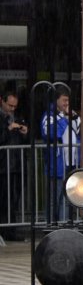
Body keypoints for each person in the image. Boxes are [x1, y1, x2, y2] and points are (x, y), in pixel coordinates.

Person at [40, 90, 81, 223]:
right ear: (56, 100)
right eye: (64, 100)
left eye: (68, 101)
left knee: (68, 198)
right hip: (57, 164)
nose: (66, 103)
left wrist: (72, 117)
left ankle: (65, 226)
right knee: (55, 199)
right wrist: (63, 119)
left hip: (71, 163)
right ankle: (51, 227)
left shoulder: (71, 115)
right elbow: (51, 133)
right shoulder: (49, 116)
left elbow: (80, 130)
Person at [0, 90, 28, 225]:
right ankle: (5, 228)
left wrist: (25, 132)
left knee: (14, 199)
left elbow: (28, 141)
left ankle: (11, 229)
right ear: (2, 101)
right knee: (4, 199)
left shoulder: (18, 117)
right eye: (10, 106)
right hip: (3, 166)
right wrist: (8, 129)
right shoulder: (2, 119)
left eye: (14, 106)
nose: (12, 109)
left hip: (16, 165)